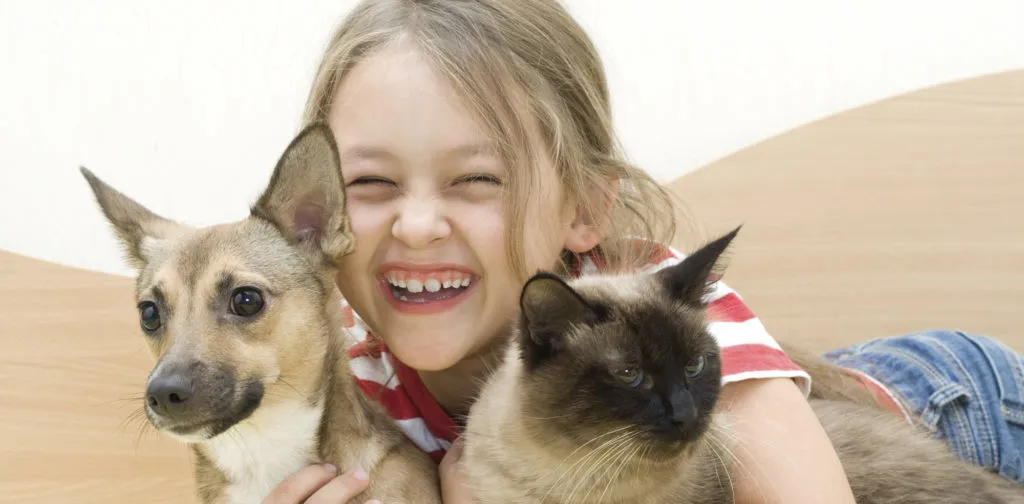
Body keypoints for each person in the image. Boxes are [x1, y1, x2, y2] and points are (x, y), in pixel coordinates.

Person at [261, 1, 1024, 502]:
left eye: (476, 179)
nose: (418, 225)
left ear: (586, 209)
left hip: (949, 407)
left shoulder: (655, 315)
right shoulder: (341, 378)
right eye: (370, 182)